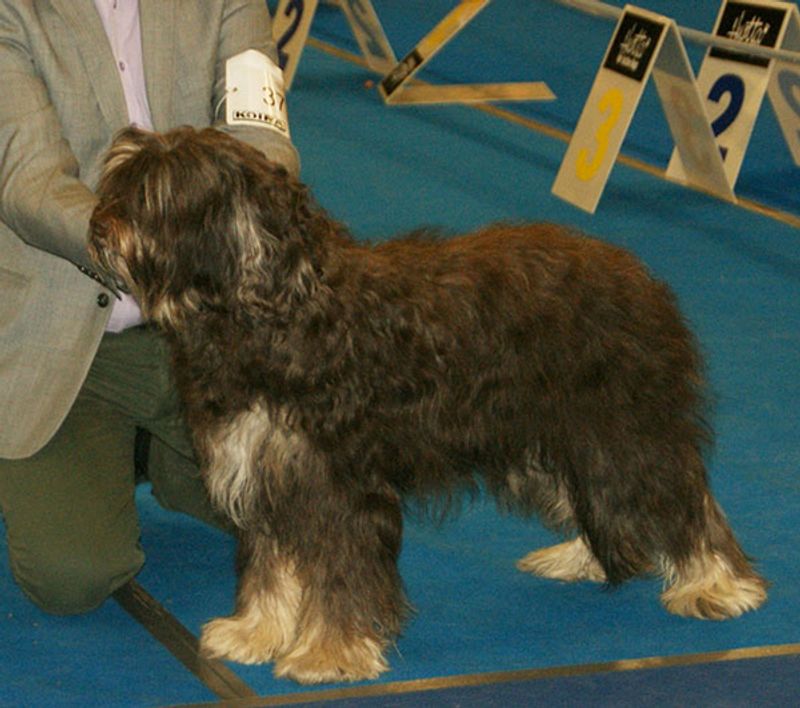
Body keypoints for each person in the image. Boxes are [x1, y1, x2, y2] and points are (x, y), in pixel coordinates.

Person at [0, 0, 300, 615]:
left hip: (206, 334)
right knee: (73, 577)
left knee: (307, 512)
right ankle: (109, 445)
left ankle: (149, 452)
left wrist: (225, 242)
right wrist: (158, 252)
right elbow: (30, 186)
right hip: (72, 342)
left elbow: (264, 143)